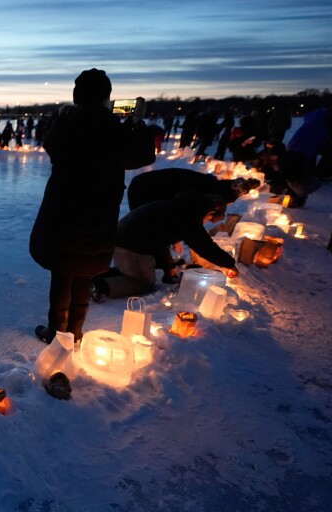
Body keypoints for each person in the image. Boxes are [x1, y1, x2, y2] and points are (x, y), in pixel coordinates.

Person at [29, 68, 155, 344]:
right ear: (106, 98)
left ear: (77, 97)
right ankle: (74, 331)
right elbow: (143, 155)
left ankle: (56, 331)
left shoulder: (67, 125)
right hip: (99, 215)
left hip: (63, 213)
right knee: (83, 272)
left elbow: (51, 144)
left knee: (62, 272)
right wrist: (137, 125)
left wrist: (62, 117)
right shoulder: (114, 130)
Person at [91, 193, 238, 301]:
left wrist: (169, 268)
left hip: (124, 238)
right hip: (131, 244)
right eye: (209, 220)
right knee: (143, 283)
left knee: (130, 272)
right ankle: (100, 285)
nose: (206, 223)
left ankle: (91, 277)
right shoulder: (189, 215)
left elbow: (160, 241)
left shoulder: (183, 206)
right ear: (210, 212)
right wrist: (228, 264)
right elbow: (202, 244)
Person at [127, 168, 257, 211]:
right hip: (145, 188)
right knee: (142, 224)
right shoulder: (200, 189)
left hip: (144, 184)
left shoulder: (208, 183)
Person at [280, 107, 331, 208]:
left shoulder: (315, 117)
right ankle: (296, 195)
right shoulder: (324, 125)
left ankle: (293, 194)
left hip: (294, 146)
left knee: (293, 171)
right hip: (305, 151)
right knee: (300, 173)